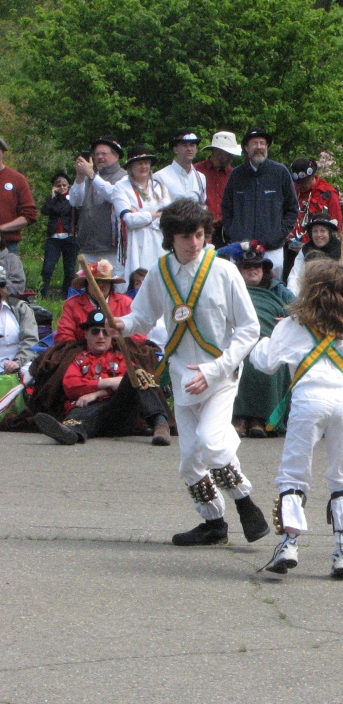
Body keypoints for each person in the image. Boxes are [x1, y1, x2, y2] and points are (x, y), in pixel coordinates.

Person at [115, 198, 269, 547]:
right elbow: (141, 317)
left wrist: (217, 368)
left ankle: (246, 504)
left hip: (221, 373)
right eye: (185, 236)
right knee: (189, 462)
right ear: (171, 238)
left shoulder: (224, 271)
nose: (194, 243)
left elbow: (248, 329)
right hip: (182, 375)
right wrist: (119, 326)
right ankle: (214, 524)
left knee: (212, 443)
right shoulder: (160, 271)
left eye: (199, 234)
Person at [249, 258, 343, 579]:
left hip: (308, 402)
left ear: (309, 290)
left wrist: (261, 342)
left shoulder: (291, 325)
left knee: (293, 473)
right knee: (342, 476)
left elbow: (265, 363)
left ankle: (290, 543)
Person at [33, 310, 170, 446]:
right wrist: (109, 383)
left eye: (105, 332)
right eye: (95, 331)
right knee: (79, 413)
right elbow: (71, 385)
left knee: (137, 373)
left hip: (120, 414)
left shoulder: (122, 358)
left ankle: (161, 424)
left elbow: (131, 384)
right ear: (86, 334)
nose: (101, 336)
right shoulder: (77, 359)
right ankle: (69, 433)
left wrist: (96, 393)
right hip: (89, 414)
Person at [229, 243, 293, 439]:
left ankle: (262, 419)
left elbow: (301, 310)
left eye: (257, 267)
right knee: (241, 358)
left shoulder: (278, 290)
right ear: (239, 272)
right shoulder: (230, 289)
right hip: (236, 337)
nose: (252, 271)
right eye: (247, 268)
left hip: (270, 337)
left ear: (264, 270)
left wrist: (289, 319)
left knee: (267, 359)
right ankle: (238, 417)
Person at [221, 127, 298, 276]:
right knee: (240, 290)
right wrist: (234, 231)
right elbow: (226, 208)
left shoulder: (280, 172)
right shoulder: (236, 175)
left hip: (272, 250)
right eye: (254, 143)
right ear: (246, 148)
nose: (259, 147)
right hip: (241, 250)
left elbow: (292, 208)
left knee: (272, 291)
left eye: (262, 143)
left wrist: (278, 233)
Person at [69, 136, 127, 280]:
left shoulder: (124, 177)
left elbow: (113, 195)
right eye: (97, 154)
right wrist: (80, 177)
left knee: (113, 288)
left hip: (112, 248)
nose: (99, 157)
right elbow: (75, 201)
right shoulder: (90, 176)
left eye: (104, 154)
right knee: (87, 290)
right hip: (88, 246)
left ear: (116, 155)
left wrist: (91, 174)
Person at [113, 145, 172, 278]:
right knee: (136, 280)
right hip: (135, 244)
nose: (144, 166)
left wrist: (142, 216)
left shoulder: (160, 187)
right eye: (139, 163)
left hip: (159, 242)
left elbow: (169, 217)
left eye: (146, 162)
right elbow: (129, 220)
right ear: (130, 167)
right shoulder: (121, 188)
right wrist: (156, 214)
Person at [286, 157, 343, 282]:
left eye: (305, 182)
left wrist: (314, 243)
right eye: (298, 183)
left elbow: (337, 225)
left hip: (318, 251)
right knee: (290, 281)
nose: (301, 186)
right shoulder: (293, 191)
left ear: (313, 176)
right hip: (291, 250)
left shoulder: (328, 193)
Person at [54, 260, 138, 343]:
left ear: (111, 285)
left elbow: (139, 334)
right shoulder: (72, 304)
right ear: (87, 285)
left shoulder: (125, 303)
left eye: (105, 281)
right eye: (96, 282)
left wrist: (111, 347)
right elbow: (64, 335)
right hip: (81, 352)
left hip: (119, 353)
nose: (100, 285)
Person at [286, 212, 343, 298]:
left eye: (322, 230)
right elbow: (295, 277)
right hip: (308, 296)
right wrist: (292, 296)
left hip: (336, 296)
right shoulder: (305, 250)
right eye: (315, 231)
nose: (318, 235)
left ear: (330, 232)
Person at [194, 131, 242, 247]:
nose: (232, 157)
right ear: (218, 152)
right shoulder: (196, 172)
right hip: (201, 228)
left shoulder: (234, 174)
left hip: (226, 231)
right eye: (229, 154)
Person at [39, 171, 77, 298]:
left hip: (70, 236)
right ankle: (42, 294)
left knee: (70, 270)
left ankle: (66, 296)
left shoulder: (73, 199)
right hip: (53, 238)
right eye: (58, 185)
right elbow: (44, 211)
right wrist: (52, 196)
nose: (61, 187)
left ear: (68, 186)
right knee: (47, 268)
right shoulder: (52, 199)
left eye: (64, 185)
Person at [0, 136, 39, 254]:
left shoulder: (17, 179)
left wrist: (2, 228)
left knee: (8, 273)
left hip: (6, 246)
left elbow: (29, 215)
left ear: (2, 151)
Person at [0, 265, 38, 375]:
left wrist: (17, 362)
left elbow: (31, 340)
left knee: (31, 371)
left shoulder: (20, 308)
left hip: (19, 365)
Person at [154, 130, 206, 205]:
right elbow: (158, 210)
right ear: (175, 149)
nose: (189, 149)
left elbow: (202, 206)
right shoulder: (160, 177)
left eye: (192, 145)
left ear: (196, 149)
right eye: (184, 145)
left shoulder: (201, 178)